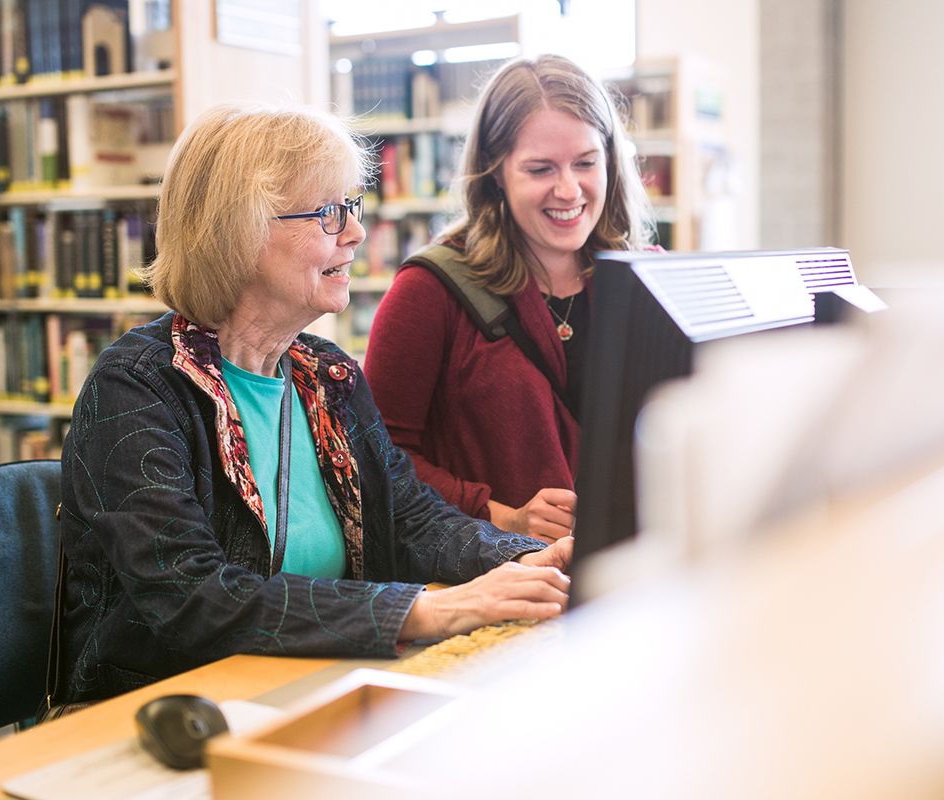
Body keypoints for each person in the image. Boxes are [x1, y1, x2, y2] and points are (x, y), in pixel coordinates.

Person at [54, 102, 572, 704]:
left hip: (314, 684)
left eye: (352, 207)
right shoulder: (138, 387)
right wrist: (427, 610)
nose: (355, 232)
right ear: (235, 230)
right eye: (328, 213)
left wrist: (537, 557)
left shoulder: (327, 375)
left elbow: (412, 522)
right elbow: (192, 597)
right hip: (167, 712)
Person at [364, 54, 657, 543]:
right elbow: (376, 458)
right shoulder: (428, 291)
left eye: (586, 163)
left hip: (633, 571)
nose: (569, 190)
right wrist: (501, 515)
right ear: (494, 172)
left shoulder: (649, 277)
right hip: (496, 580)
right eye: (540, 169)